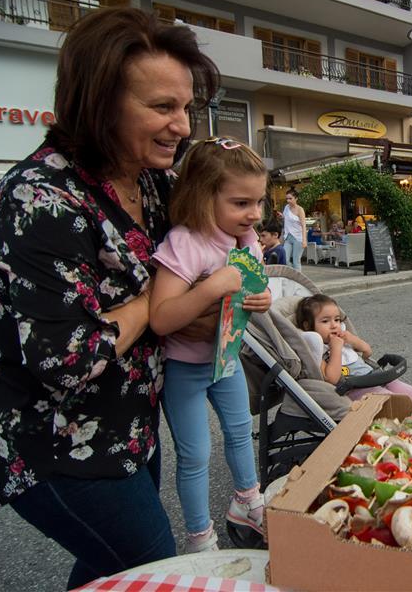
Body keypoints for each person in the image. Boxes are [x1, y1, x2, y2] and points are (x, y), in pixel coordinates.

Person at [0, 8, 219, 587]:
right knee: (154, 571)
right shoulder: (40, 198)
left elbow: (196, 265)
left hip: (127, 429)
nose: (182, 126)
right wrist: (158, 303)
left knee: (104, 571)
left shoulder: (153, 181)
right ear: (100, 104)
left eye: (186, 107)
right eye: (162, 107)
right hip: (51, 445)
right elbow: (66, 361)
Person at [149, 138, 271, 553]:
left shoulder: (247, 240)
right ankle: (200, 538)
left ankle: (248, 502)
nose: (253, 214)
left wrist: (262, 298)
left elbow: (252, 289)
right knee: (195, 454)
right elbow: (161, 317)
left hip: (227, 358)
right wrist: (211, 288)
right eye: (240, 203)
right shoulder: (187, 243)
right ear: (204, 197)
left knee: (240, 432)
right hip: (185, 366)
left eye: (259, 202)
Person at [296, 294, 412, 407]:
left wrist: (353, 341)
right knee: (390, 400)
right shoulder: (316, 349)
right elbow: (332, 379)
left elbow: (367, 353)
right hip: (354, 388)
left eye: (337, 319)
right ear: (308, 326)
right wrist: (336, 349)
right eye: (325, 321)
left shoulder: (344, 337)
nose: (334, 325)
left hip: (375, 377)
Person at [281, 187, 306, 270]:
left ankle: (298, 281)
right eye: (287, 198)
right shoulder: (286, 207)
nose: (288, 200)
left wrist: (304, 240)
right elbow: (286, 218)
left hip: (298, 238)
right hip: (288, 237)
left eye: (290, 198)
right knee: (285, 259)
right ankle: (293, 274)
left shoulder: (300, 209)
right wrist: (281, 216)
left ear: (296, 198)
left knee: (296, 261)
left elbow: (303, 225)